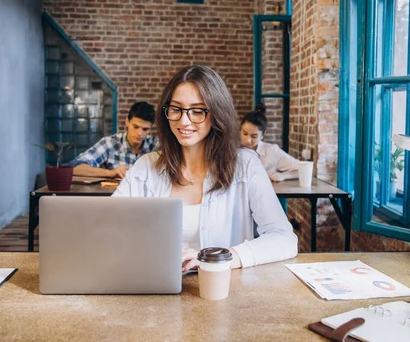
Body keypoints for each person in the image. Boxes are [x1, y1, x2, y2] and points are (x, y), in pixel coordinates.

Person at [112, 65, 297, 271]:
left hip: (221, 291)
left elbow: (284, 238)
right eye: (176, 109)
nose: (184, 120)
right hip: (155, 286)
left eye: (198, 111)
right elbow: (108, 227)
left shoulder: (245, 164)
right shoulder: (146, 166)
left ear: (217, 113)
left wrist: (222, 259)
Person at [70, 101, 158, 179]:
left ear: (151, 128)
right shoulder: (109, 143)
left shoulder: (156, 146)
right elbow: (75, 168)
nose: (139, 133)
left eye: (145, 129)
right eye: (135, 127)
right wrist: (111, 173)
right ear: (127, 122)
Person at [240, 104, 299, 182]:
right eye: (244, 133)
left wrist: (283, 175)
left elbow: (302, 169)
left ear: (262, 135)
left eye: (254, 136)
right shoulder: (232, 149)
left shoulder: (272, 151)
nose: (248, 140)